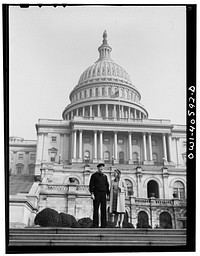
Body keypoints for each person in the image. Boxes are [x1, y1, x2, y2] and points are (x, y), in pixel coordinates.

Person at [89, 163, 110, 228]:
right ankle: (95, 224)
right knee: (96, 209)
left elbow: (107, 186)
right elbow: (91, 185)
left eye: (102, 167)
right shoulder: (94, 175)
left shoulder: (105, 176)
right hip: (96, 193)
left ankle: (104, 225)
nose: (101, 168)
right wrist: (92, 193)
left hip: (103, 193)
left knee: (103, 209)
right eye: (100, 167)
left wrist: (108, 194)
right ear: (98, 168)